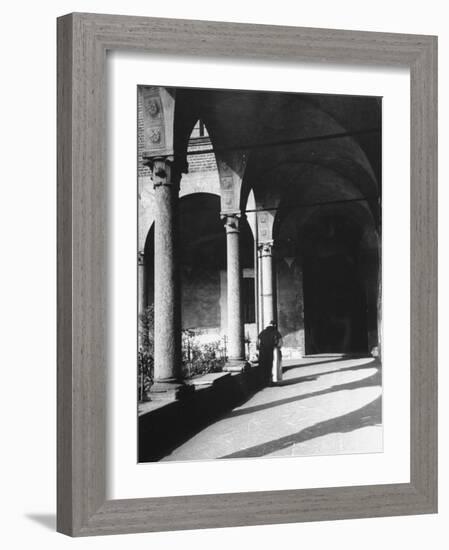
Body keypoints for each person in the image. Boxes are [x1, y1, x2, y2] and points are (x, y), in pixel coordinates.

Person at [257, 321, 283, 385]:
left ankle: (263, 382)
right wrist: (277, 348)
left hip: (262, 352)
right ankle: (270, 381)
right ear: (274, 325)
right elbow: (280, 342)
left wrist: (259, 348)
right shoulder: (276, 332)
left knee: (263, 366)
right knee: (271, 366)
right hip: (272, 351)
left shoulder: (262, 332)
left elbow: (257, 342)